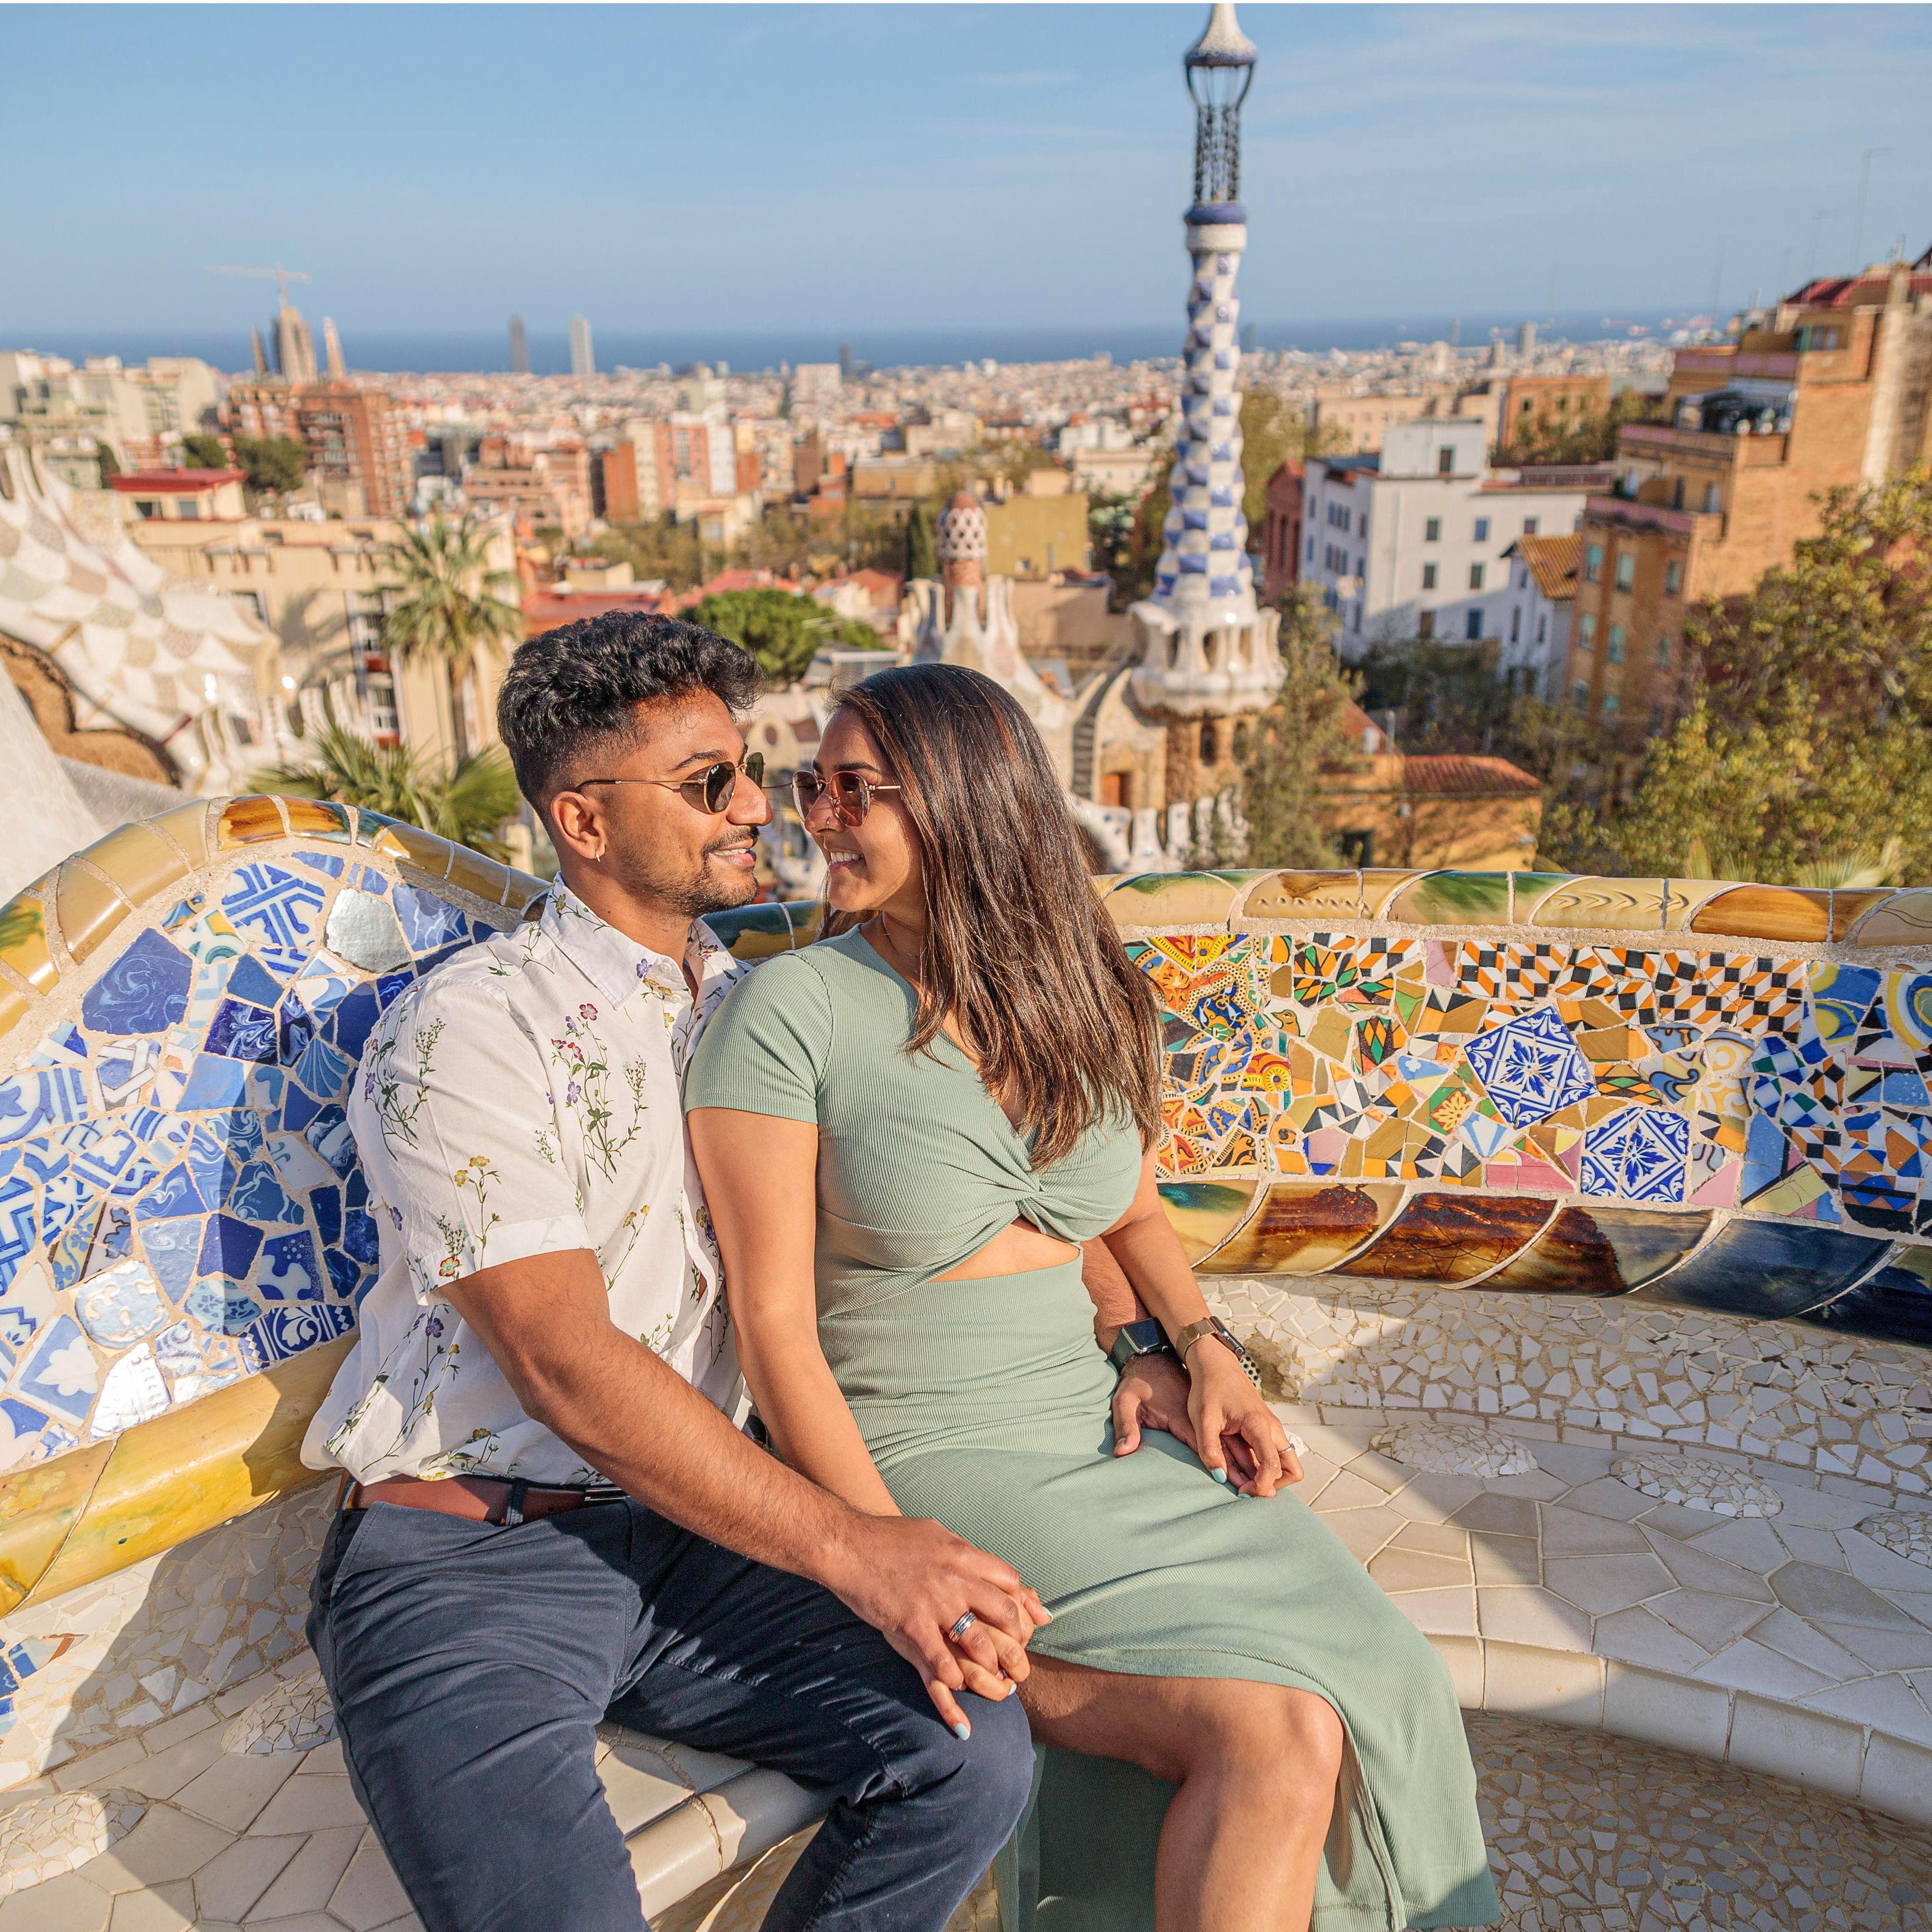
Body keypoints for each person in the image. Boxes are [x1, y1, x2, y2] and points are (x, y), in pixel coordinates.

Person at [685, 663, 1500, 1932]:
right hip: (930, 1447)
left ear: (967, 804)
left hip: (1103, 1424)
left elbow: (1120, 1209)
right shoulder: (789, 1012)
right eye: (814, 787)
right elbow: (773, 1327)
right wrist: (875, 1557)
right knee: (1276, 1732)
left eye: (857, 791)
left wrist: (1198, 1346)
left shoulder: (1082, 993)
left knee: (1387, 1683)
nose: (820, 819)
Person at [301, 617, 1038, 1932]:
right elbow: (567, 1369)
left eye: (747, 770)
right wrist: (860, 1553)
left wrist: (1163, 1335)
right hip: (473, 1562)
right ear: (585, 824)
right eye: (711, 785)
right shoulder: (471, 1032)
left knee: (972, 1754)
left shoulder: (745, 998)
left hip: (693, 1543)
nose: (761, 806)